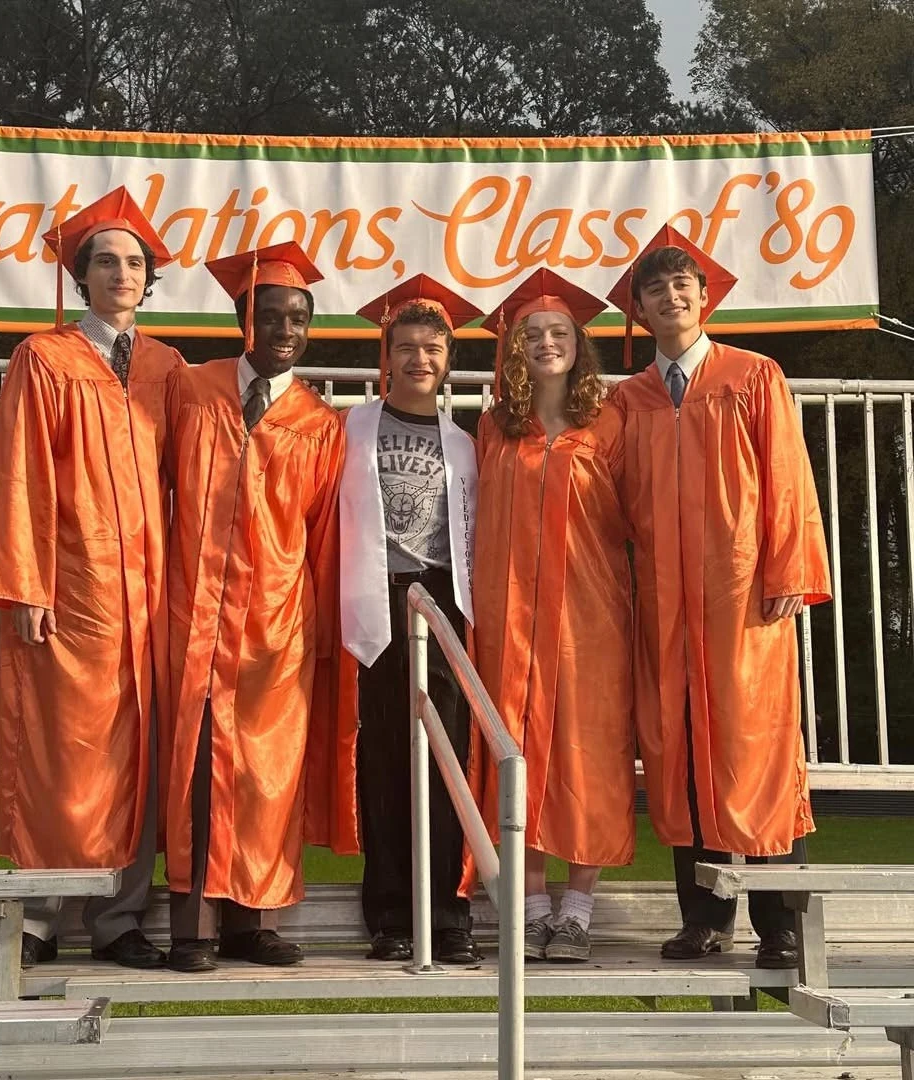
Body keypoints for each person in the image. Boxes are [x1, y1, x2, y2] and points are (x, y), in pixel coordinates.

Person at [0, 186, 184, 971]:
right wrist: (25, 582)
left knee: (139, 755)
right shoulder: (44, 358)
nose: (122, 273)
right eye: (106, 261)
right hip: (70, 590)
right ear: (80, 275)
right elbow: (15, 472)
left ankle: (121, 918)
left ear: (147, 280)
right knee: (61, 752)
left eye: (135, 263)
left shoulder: (167, 367)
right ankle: (39, 917)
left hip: (149, 596)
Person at [606, 224, 832, 968]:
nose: (670, 297)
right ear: (639, 309)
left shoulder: (753, 374)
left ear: (704, 297)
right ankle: (703, 917)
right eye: (655, 289)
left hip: (743, 597)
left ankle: (781, 923)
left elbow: (787, 475)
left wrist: (789, 570)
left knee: (756, 747)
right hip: (664, 601)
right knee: (681, 751)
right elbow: (605, 499)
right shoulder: (628, 399)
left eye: (682, 285)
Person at [163, 241, 344, 973]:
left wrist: (321, 632)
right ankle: (193, 928)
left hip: (276, 620)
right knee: (198, 769)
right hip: (195, 611)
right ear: (244, 319)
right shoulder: (191, 388)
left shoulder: (319, 421)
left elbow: (325, 535)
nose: (285, 330)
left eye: (299, 318)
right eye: (271, 315)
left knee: (267, 774)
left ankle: (255, 921)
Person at [314, 276, 483, 965]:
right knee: (382, 757)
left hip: (441, 600)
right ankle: (389, 914)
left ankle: (447, 912)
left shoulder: (466, 444)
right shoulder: (347, 428)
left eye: (432, 349)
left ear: (448, 361)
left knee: (446, 758)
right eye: (406, 347)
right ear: (386, 357)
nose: (419, 359)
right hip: (372, 595)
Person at [472, 269, 634, 963]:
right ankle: (533, 906)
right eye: (531, 333)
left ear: (578, 343)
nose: (545, 342)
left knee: (588, 750)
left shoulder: (611, 422)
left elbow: (639, 517)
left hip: (591, 615)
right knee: (519, 747)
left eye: (559, 331)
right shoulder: (492, 425)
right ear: (514, 348)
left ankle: (577, 910)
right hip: (509, 611)